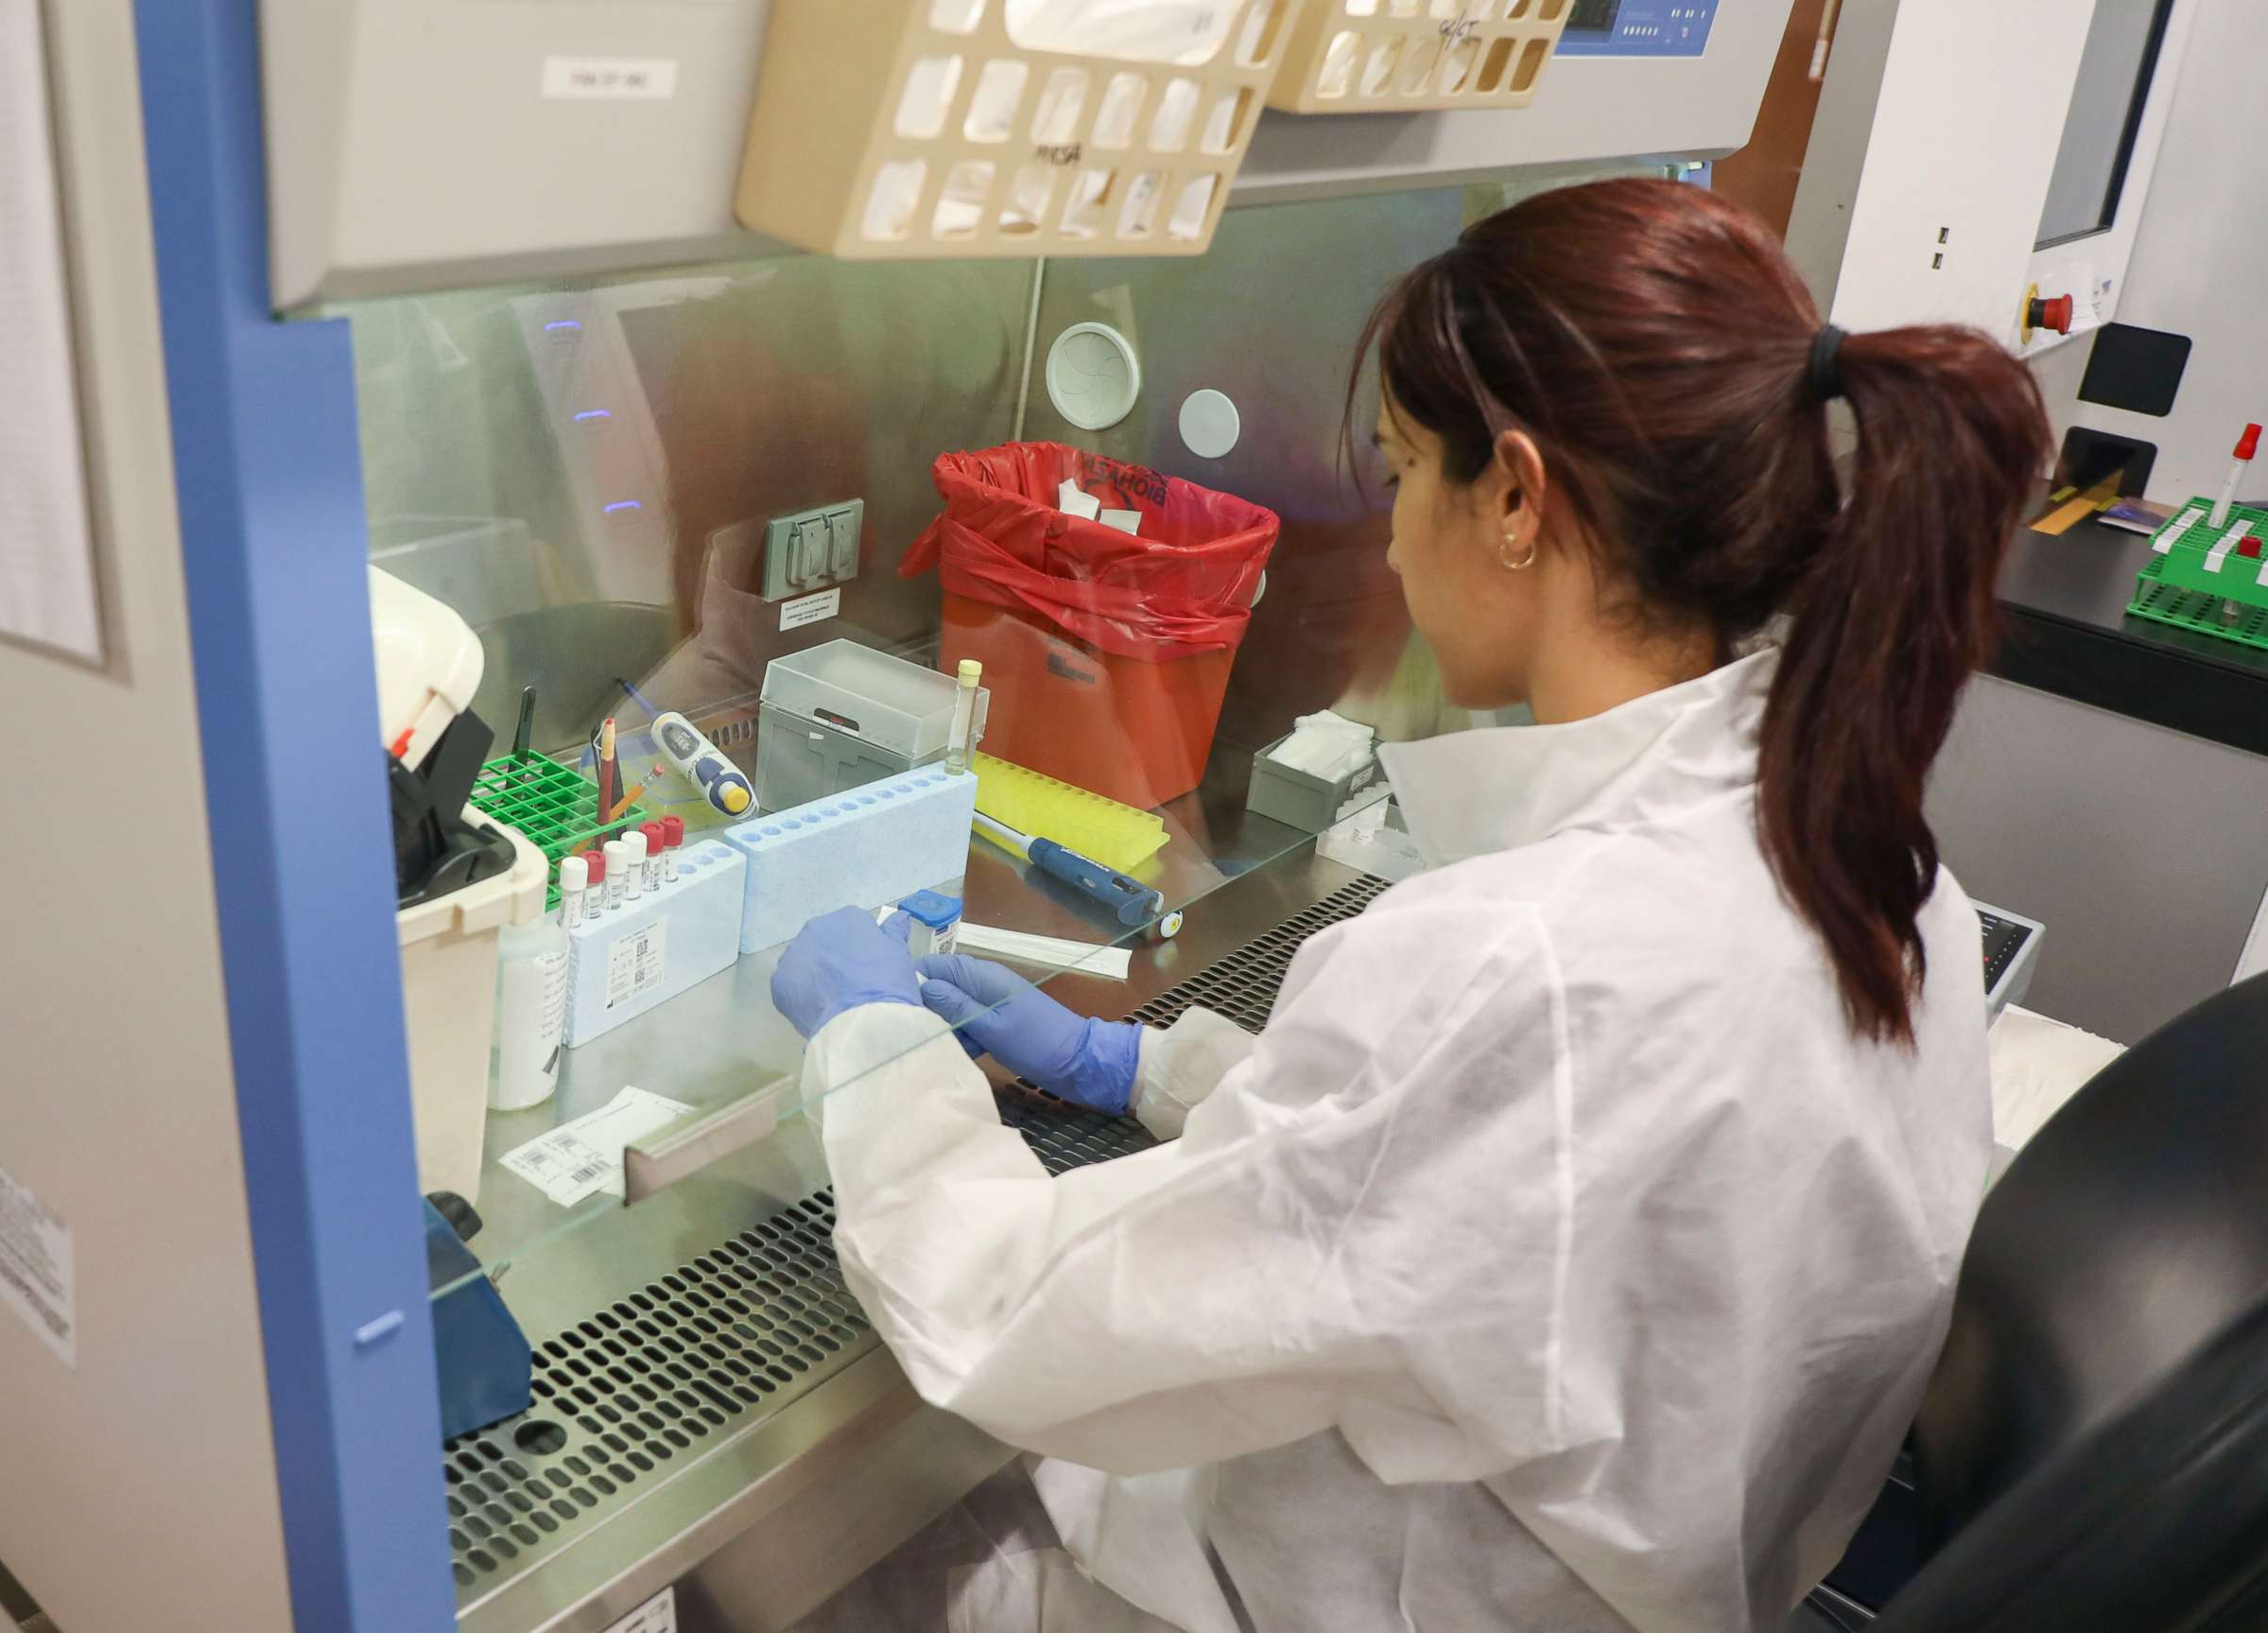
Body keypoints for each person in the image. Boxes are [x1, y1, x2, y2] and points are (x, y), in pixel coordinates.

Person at [768, 176, 2051, 1633]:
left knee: (788, 1569)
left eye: (1396, 478)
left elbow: (1010, 1316)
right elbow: (1506, 1206)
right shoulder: (1878, 867)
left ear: (1514, 496)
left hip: (1345, 1600)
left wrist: (873, 1058)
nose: (1384, 545)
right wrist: (1146, 1068)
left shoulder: (1531, 967)